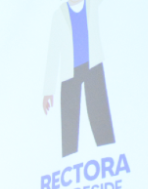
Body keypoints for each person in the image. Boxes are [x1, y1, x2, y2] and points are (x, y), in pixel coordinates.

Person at [43, 0, 114, 158]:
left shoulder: (92, 4)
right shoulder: (58, 15)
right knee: (69, 125)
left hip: (93, 67)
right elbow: (53, 52)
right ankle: (68, 161)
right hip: (69, 73)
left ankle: (110, 154)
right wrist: (48, 91)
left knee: (100, 115)